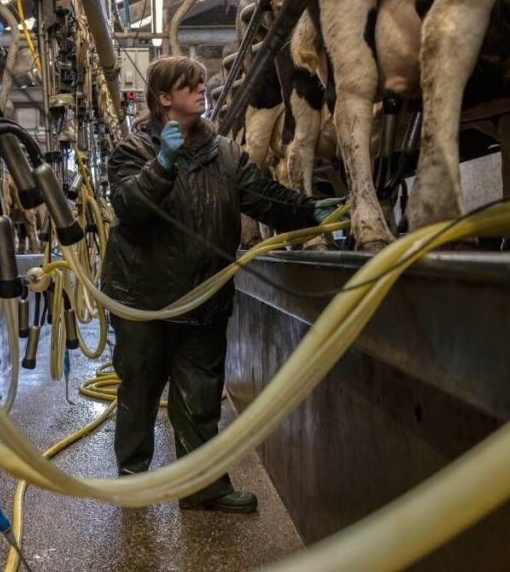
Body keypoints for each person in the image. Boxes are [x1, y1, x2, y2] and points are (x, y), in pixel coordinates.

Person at [101, 55, 342, 513]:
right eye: (188, 85)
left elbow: (262, 196)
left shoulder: (225, 153)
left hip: (205, 297)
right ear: (164, 98)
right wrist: (164, 163)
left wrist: (311, 210)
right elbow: (130, 209)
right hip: (144, 300)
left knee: (201, 394)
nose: (201, 90)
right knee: (140, 390)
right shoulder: (133, 150)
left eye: (200, 83)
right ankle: (132, 482)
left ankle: (203, 488)